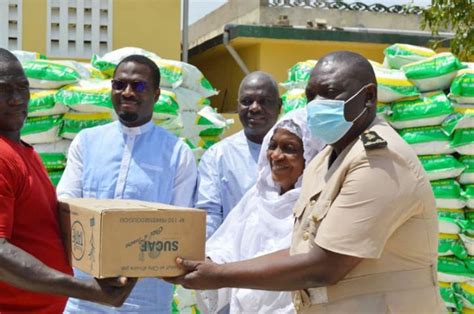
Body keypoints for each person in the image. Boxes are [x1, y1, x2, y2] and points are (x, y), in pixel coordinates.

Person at [166, 51, 445, 313]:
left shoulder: (379, 161)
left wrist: (220, 276)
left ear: (368, 97)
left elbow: (325, 265)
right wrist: (215, 268)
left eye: (331, 94)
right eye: (311, 96)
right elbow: (301, 251)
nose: (317, 105)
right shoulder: (325, 159)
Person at [57, 54, 198, 313]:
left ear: (156, 94)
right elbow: (67, 204)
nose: (128, 92)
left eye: (139, 86)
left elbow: (180, 227)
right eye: (119, 85)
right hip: (86, 297)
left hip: (146, 301)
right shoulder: (86, 142)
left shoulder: (177, 153)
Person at [0, 48, 135, 312]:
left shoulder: (24, 152)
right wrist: (89, 290)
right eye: (3, 90)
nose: (17, 99)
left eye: (23, 88)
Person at [199, 109, 324, 313]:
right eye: (272, 145)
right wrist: (208, 262)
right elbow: (227, 245)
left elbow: (307, 265)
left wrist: (221, 273)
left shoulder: (316, 205)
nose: (276, 155)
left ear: (310, 156)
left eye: (289, 148)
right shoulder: (257, 198)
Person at [197, 71, 281, 238]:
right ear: (237, 106)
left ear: (279, 106)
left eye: (264, 101)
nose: (255, 108)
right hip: (231, 258)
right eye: (246, 102)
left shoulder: (299, 153)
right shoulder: (217, 155)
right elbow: (209, 213)